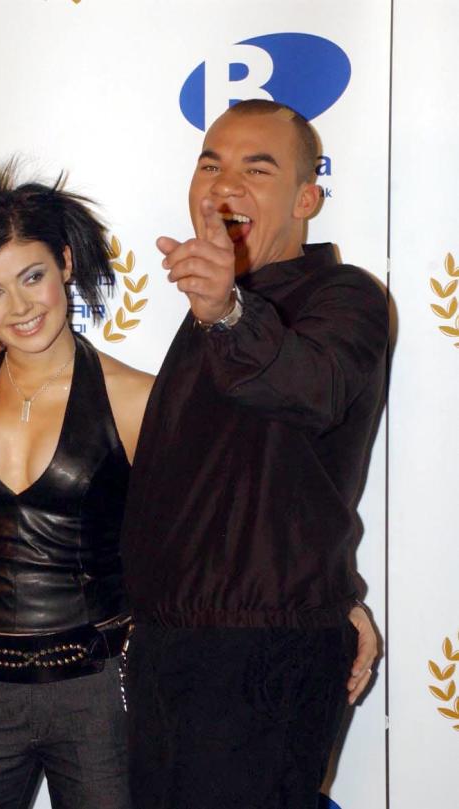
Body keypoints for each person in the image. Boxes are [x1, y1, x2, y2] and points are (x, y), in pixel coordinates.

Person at [117, 99, 388, 809]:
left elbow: (313, 389)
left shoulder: (346, 296)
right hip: (169, 647)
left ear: (306, 199)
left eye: (255, 167)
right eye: (211, 162)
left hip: (264, 655)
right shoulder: (209, 312)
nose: (224, 181)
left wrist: (228, 312)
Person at [0, 165, 153, 809]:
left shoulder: (134, 398)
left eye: (32, 277)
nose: (18, 309)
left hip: (99, 691)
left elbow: (202, 531)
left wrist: (331, 597)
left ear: (66, 263)